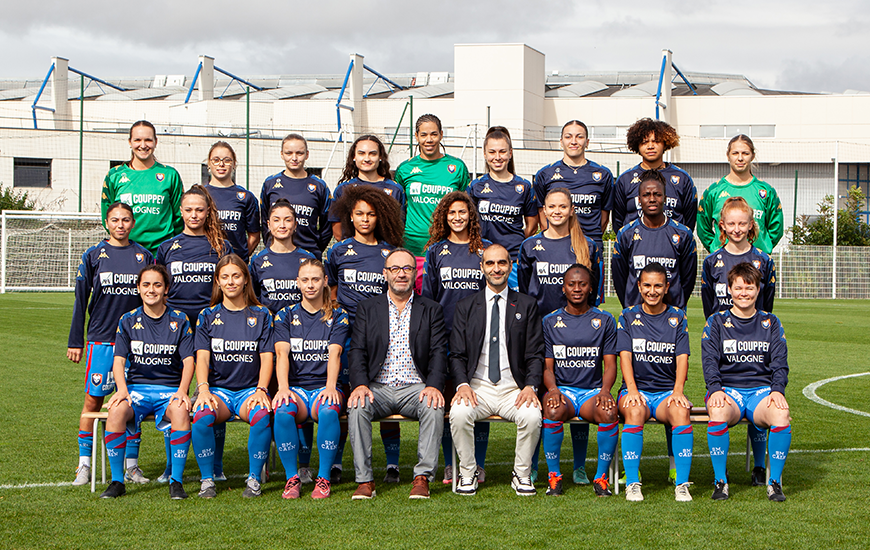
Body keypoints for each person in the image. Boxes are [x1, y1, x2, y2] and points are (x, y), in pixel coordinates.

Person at [346, 248, 448, 500]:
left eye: (407, 269)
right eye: (395, 269)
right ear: (385, 274)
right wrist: (359, 384)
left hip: (416, 387)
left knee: (434, 405)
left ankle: (422, 477)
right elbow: (357, 351)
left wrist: (434, 385)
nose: (401, 274)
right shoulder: (368, 308)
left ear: (415, 273)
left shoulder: (431, 309)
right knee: (357, 407)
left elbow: (438, 352)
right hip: (377, 387)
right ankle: (364, 480)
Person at [517, 187, 601, 483]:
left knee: (581, 389)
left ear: (570, 210)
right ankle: (538, 463)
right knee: (544, 397)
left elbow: (596, 290)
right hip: (540, 331)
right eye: (551, 206)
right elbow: (526, 293)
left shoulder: (587, 245)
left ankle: (579, 465)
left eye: (562, 206)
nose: (556, 211)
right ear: (543, 210)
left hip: (579, 331)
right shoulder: (530, 246)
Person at [68, 202, 153, 486]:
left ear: (133, 222)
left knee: (130, 401)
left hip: (135, 342)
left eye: (126, 220)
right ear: (107, 222)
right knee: (93, 401)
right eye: (115, 220)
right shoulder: (93, 255)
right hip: (102, 340)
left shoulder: (144, 255)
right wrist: (76, 341)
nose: (120, 225)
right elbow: (81, 300)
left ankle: (131, 465)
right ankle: (84, 465)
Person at [449, 244, 544, 496]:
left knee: (533, 416)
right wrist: (462, 385)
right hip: (476, 388)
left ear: (510, 266)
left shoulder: (526, 304)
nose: (496, 268)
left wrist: (530, 386)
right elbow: (456, 354)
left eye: (501, 263)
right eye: (490, 263)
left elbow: (535, 353)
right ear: (482, 267)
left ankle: (521, 474)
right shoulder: (465, 306)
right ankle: (468, 473)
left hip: (513, 388)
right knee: (458, 413)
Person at [327, 185, 404, 483]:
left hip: (380, 333)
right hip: (347, 335)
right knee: (348, 398)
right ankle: (335, 463)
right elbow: (333, 291)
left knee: (384, 394)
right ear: (350, 216)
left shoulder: (389, 252)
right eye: (359, 214)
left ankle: (393, 464)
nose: (365, 219)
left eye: (371, 214)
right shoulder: (339, 251)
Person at [155, 185, 230, 483]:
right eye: (189, 210)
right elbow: (157, 288)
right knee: (178, 397)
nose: (194, 215)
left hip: (213, 328)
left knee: (213, 393)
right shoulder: (167, 247)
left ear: (208, 212)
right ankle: (172, 466)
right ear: (181, 212)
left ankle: (217, 465)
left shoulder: (220, 246)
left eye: (200, 209)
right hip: (176, 331)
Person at [98, 265, 194, 499]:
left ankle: (176, 481)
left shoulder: (179, 320)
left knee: (181, 411)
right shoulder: (128, 320)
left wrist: (182, 391)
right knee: (116, 411)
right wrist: (121, 390)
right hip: (136, 390)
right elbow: (119, 361)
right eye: (146, 285)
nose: (152, 290)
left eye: (157, 285)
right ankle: (118, 481)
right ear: (139, 289)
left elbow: (189, 361)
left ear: (166, 289)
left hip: (169, 390)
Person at [702, 262, 791, 502]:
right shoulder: (716, 322)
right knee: (718, 411)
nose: (744, 293)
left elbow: (780, 362)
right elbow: (709, 361)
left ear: (758, 289)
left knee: (781, 414)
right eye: (739, 287)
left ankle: (774, 482)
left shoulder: (770, 322)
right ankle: (721, 481)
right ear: (729, 289)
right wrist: (715, 389)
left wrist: (778, 390)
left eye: (749, 288)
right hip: (728, 391)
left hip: (761, 392)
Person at [421, 191, 492, 485]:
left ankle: (479, 464)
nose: (457, 217)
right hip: (445, 336)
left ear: (471, 216)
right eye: (452, 213)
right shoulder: (437, 252)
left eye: (463, 212)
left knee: (479, 398)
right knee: (450, 402)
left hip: (480, 337)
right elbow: (429, 298)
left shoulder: (483, 250)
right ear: (444, 217)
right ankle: (452, 463)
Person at [190, 254, 275, 499]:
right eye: (225, 277)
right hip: (219, 391)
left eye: (236, 276)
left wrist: (261, 389)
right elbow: (202, 357)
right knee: (202, 417)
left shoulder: (261, 315)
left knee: (261, 417)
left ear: (246, 280)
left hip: (250, 390)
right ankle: (207, 480)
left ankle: (254, 479)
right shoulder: (207, 315)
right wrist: (203, 389)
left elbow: (267, 357)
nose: (230, 282)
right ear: (217, 281)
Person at [272, 259, 351, 499]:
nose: (310, 285)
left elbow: (335, 353)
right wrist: (283, 388)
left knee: (328, 411)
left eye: (315, 279)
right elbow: (281, 354)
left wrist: (330, 387)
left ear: (325, 281)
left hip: (322, 387)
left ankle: (324, 478)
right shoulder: (285, 315)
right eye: (305, 280)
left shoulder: (338, 314)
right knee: (282, 410)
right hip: (296, 388)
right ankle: (291, 478)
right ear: (297, 282)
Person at [616, 262, 694, 502]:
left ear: (667, 287)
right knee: (635, 410)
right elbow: (625, 357)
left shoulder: (677, 316)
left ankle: (681, 483)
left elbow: (683, 358)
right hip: (635, 389)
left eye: (658, 285)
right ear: (639, 286)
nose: (652, 291)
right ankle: (632, 482)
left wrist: (678, 390)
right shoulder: (628, 316)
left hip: (665, 393)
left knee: (680, 411)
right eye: (647, 285)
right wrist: (631, 390)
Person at [541, 264, 618, 497]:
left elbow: (610, 364)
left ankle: (601, 478)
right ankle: (554, 477)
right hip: (563, 390)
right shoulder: (550, 321)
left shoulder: (604, 320)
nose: (577, 289)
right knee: (552, 409)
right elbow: (546, 365)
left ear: (590, 288)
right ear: (563, 288)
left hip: (591, 392)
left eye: (582, 284)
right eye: (571, 284)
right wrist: (552, 389)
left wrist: (605, 391)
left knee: (608, 412)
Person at [394, 114, 470, 290]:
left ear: (441, 135)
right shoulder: (405, 169)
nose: (429, 140)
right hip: (412, 246)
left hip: (446, 244)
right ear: (416, 136)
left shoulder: (456, 167)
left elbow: (465, 208)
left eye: (434, 134)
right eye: (424, 135)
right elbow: (398, 209)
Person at [612, 170, 697, 311]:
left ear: (665, 198)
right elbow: (620, 279)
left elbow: (688, 280)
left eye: (657, 194)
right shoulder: (626, 234)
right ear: (639, 200)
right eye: (646, 195)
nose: (652, 199)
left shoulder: (683, 234)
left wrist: (676, 304)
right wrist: (630, 306)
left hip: (672, 315)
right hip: (636, 315)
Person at [467, 126, 538, 289]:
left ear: (510, 153)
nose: (497, 157)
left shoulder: (524, 186)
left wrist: (515, 240)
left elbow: (532, 224)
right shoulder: (476, 186)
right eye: (492, 152)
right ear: (485, 154)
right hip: (483, 258)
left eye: (502, 152)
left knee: (513, 308)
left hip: (512, 259)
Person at [100, 120, 183, 254]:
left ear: (156, 141)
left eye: (148, 140)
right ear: (130, 142)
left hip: (161, 253)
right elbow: (107, 216)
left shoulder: (170, 175)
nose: (143, 145)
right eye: (137, 140)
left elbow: (179, 218)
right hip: (126, 251)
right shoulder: (114, 175)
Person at [697, 134, 784, 254]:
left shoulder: (766, 191)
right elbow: (703, 229)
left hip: (755, 264)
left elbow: (776, 229)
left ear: (752, 156)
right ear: (728, 156)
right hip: (723, 264)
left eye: (745, 153)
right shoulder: (713, 191)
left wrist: (761, 248)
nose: (740, 158)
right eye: (735, 153)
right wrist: (716, 249)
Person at [533, 120, 612, 249]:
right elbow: (542, 213)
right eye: (568, 137)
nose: (573, 141)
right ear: (561, 142)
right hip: (557, 245)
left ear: (587, 142)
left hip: (590, 245)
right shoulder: (545, 174)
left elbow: (604, 217)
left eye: (579, 137)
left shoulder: (603, 174)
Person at [612, 117, 698, 233]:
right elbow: (618, 221)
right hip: (636, 246)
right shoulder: (625, 179)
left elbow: (690, 220)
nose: (650, 146)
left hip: (672, 245)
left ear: (665, 143)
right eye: (644, 142)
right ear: (637, 145)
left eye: (656, 141)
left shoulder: (682, 178)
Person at [260, 134, 332, 257]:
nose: (294, 158)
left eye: (299, 153)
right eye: (289, 153)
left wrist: (314, 248)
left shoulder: (319, 186)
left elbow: (328, 225)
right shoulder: (270, 184)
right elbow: (264, 221)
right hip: (277, 254)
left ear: (307, 155)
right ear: (282, 154)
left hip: (309, 255)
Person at [330, 135, 405, 241]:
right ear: (354, 156)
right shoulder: (343, 189)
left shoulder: (395, 189)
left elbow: (399, 227)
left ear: (380, 157)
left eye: (372, 154)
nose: (367, 159)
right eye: (361, 153)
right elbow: (338, 231)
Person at [250, 199, 316, 315]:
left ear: (295, 224)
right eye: (276, 220)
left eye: (287, 220)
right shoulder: (258, 260)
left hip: (300, 325)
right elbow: (253, 298)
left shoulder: (308, 258)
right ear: (269, 225)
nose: (282, 225)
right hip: (269, 327)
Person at [203, 141, 261, 261]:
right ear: (209, 163)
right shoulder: (200, 194)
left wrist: (239, 259)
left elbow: (254, 236)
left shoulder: (246, 197)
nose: (221, 164)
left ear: (234, 164)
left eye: (227, 160)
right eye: (216, 160)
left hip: (235, 266)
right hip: (207, 262)